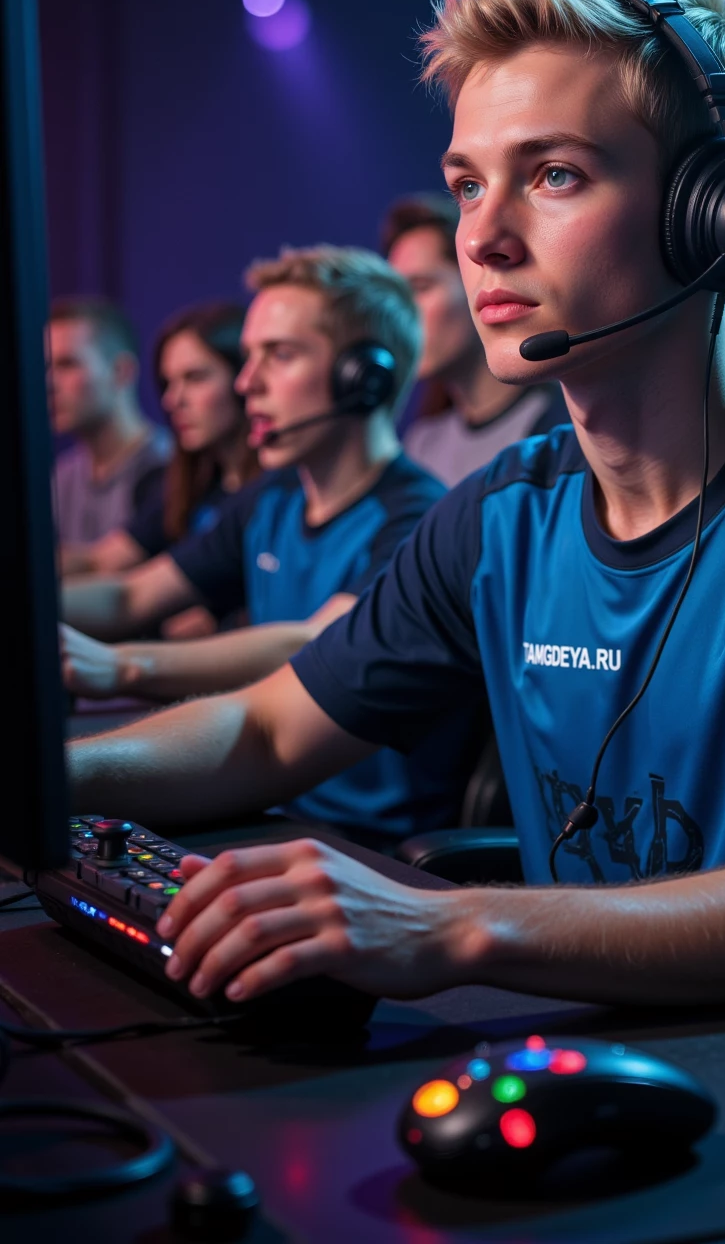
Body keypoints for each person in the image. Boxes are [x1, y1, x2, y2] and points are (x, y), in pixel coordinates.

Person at [68, 0, 725, 1033]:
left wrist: (456, 928)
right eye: (469, 183)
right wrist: (44, 774)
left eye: (553, 174)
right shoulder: (501, 514)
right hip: (585, 1054)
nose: (480, 236)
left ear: (714, 215)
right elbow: (269, 733)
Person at [63, 245, 470, 845]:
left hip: (364, 842)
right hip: (265, 810)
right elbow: (131, 598)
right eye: (249, 356)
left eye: (279, 355)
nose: (246, 382)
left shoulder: (418, 516)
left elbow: (317, 642)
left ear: (364, 378)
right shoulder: (270, 499)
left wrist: (123, 664)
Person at [59, 304, 261, 635]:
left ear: (243, 379)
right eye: (168, 383)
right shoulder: (190, 484)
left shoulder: (269, 494)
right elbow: (104, 564)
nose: (173, 400)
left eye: (195, 378)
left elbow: (141, 604)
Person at [384, 193, 566, 486]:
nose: (401, 314)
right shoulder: (421, 446)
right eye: (396, 297)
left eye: (420, 287)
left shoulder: (560, 427)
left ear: (479, 282)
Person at [49, 297, 172, 559]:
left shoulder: (169, 469)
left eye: (67, 364)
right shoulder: (61, 478)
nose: (49, 383)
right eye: (45, 368)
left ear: (121, 371)